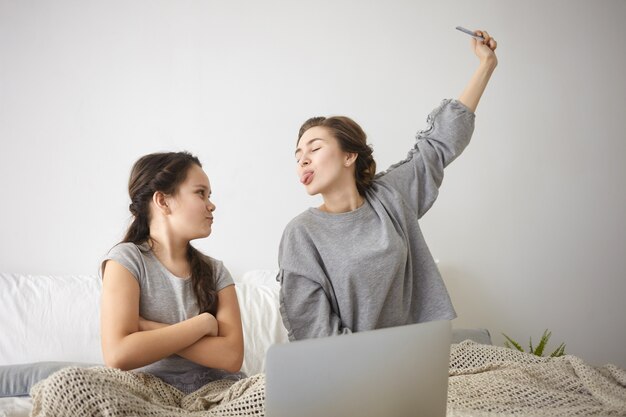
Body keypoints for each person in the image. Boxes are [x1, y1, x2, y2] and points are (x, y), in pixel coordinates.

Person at [278, 30, 498, 341]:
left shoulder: (389, 197)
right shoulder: (301, 234)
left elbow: (437, 145)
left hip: (422, 351)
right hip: (350, 367)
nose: (303, 160)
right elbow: (312, 329)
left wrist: (485, 66)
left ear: (349, 155)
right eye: (298, 154)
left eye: (314, 148)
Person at [30, 152, 265, 416]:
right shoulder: (126, 260)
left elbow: (231, 357)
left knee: (273, 389)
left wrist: (147, 328)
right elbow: (119, 354)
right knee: (65, 386)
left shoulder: (216, 271)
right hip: (147, 394)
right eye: (201, 193)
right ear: (163, 200)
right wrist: (201, 324)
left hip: (219, 395)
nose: (211, 205)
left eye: (209, 195)